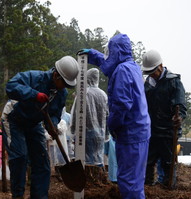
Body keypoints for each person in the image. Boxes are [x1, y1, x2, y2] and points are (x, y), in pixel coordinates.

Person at [77, 33, 151, 199]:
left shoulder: (122, 71)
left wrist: (112, 125)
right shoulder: (131, 65)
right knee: (136, 179)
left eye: (110, 51)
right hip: (139, 130)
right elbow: (107, 62)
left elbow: (121, 105)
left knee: (129, 181)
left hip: (130, 133)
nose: (108, 55)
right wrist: (92, 54)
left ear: (116, 51)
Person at [1, 55, 79, 199]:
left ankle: (39, 196)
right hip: (14, 119)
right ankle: (17, 195)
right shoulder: (35, 78)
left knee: (42, 162)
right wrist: (34, 94)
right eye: (65, 84)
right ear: (56, 75)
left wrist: (53, 125)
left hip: (33, 123)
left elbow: (55, 113)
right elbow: (10, 86)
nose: (66, 88)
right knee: (20, 156)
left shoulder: (61, 93)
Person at [141, 49, 187, 188]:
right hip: (151, 130)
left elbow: (180, 104)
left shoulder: (173, 82)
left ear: (160, 66)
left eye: (153, 71)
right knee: (148, 161)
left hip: (168, 131)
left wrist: (178, 117)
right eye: (149, 72)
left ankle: (168, 188)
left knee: (168, 163)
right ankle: (147, 187)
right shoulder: (147, 84)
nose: (151, 75)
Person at [71, 68, 109, 167]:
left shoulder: (83, 94)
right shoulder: (103, 95)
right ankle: (97, 180)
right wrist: (107, 133)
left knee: (85, 161)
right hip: (100, 133)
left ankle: (86, 181)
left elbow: (75, 113)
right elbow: (108, 115)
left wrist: (72, 130)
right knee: (98, 158)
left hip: (85, 133)